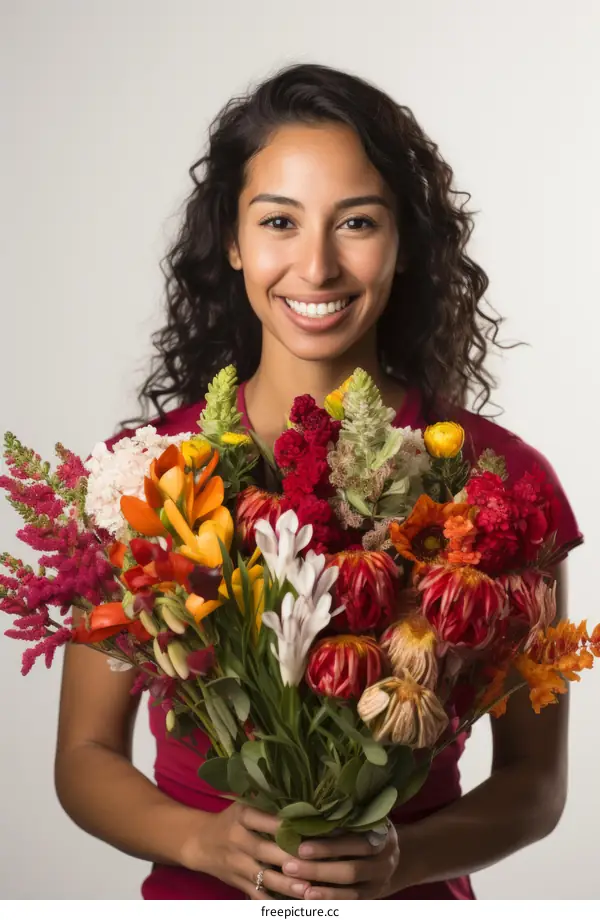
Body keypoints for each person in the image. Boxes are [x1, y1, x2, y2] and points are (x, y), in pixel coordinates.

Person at [54, 62, 583, 900]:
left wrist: (404, 859)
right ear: (232, 241)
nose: (317, 266)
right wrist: (201, 840)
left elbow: (535, 786)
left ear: (404, 242)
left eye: (358, 223)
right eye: (279, 222)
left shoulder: (501, 483)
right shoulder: (143, 478)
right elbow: (84, 756)